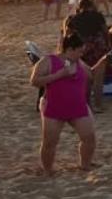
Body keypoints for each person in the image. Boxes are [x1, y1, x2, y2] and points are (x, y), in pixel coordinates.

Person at [29, 33, 96, 174]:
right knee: (49, 143)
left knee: (89, 138)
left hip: (78, 106)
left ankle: (85, 166)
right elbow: (34, 81)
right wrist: (59, 75)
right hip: (54, 107)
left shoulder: (79, 62)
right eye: (79, 51)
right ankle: (48, 170)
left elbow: (90, 75)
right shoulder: (48, 61)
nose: (81, 54)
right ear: (70, 49)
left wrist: (102, 63)